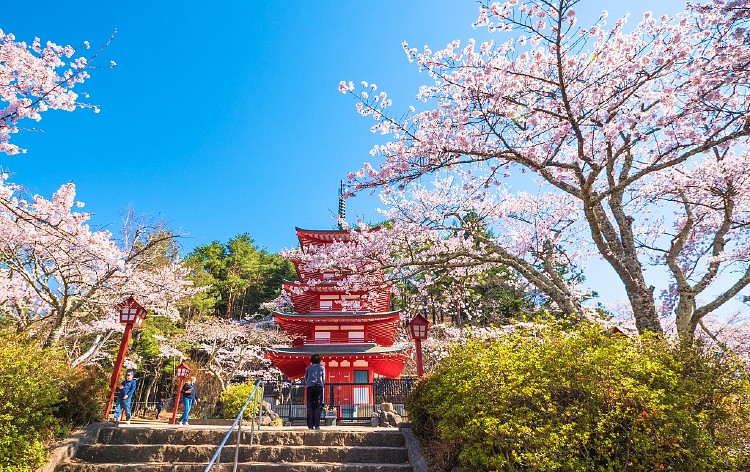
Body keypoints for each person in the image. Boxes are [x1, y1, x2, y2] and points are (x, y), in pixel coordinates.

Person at [304, 353, 325, 430]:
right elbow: (323, 378)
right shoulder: (322, 368)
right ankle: (317, 425)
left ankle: (310, 425)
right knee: (318, 406)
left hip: (310, 387)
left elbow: (306, 378)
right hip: (319, 387)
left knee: (310, 406)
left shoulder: (308, 368)